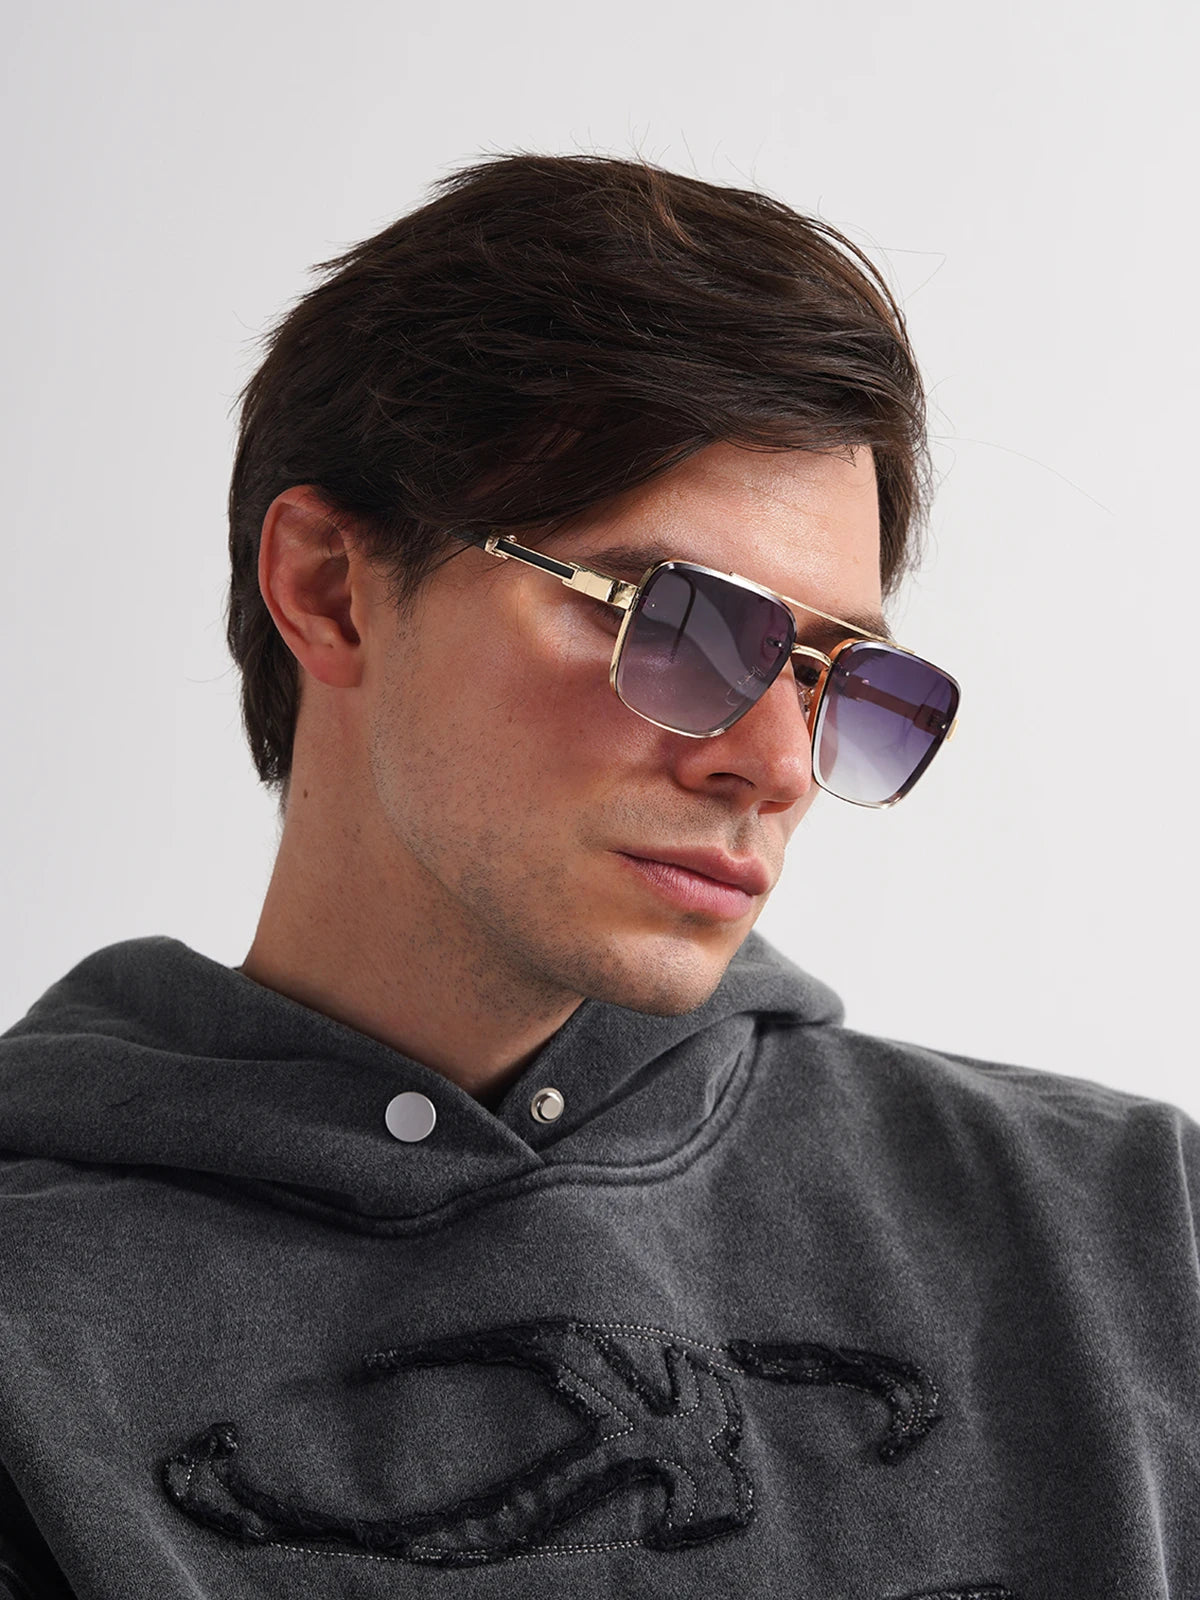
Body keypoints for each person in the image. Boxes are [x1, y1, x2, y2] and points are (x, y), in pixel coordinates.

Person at [0, 155, 1195, 1600]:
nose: (777, 764)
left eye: (835, 676)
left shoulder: (1133, 1231)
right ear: (330, 588)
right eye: (675, 622)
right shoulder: (33, 1330)